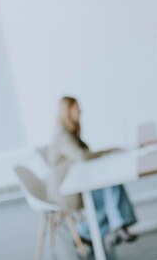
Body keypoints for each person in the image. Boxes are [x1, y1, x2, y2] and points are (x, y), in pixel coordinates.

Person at [46, 97, 137, 245]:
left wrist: (107, 151)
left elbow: (84, 155)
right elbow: (81, 156)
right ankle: (115, 226)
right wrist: (106, 153)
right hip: (66, 190)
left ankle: (90, 233)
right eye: (77, 109)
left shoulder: (70, 132)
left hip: (75, 181)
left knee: (110, 191)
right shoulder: (62, 135)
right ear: (67, 111)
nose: (81, 112)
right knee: (110, 188)